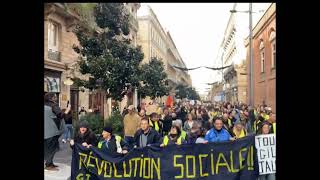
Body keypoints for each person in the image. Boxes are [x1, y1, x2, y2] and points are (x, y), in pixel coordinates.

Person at [44, 92, 70, 171]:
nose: (56, 98)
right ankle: (48, 165)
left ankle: (50, 163)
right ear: (51, 98)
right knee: (52, 148)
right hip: (52, 131)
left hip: (46, 131)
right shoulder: (54, 105)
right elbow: (60, 115)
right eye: (55, 97)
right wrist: (67, 110)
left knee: (47, 147)